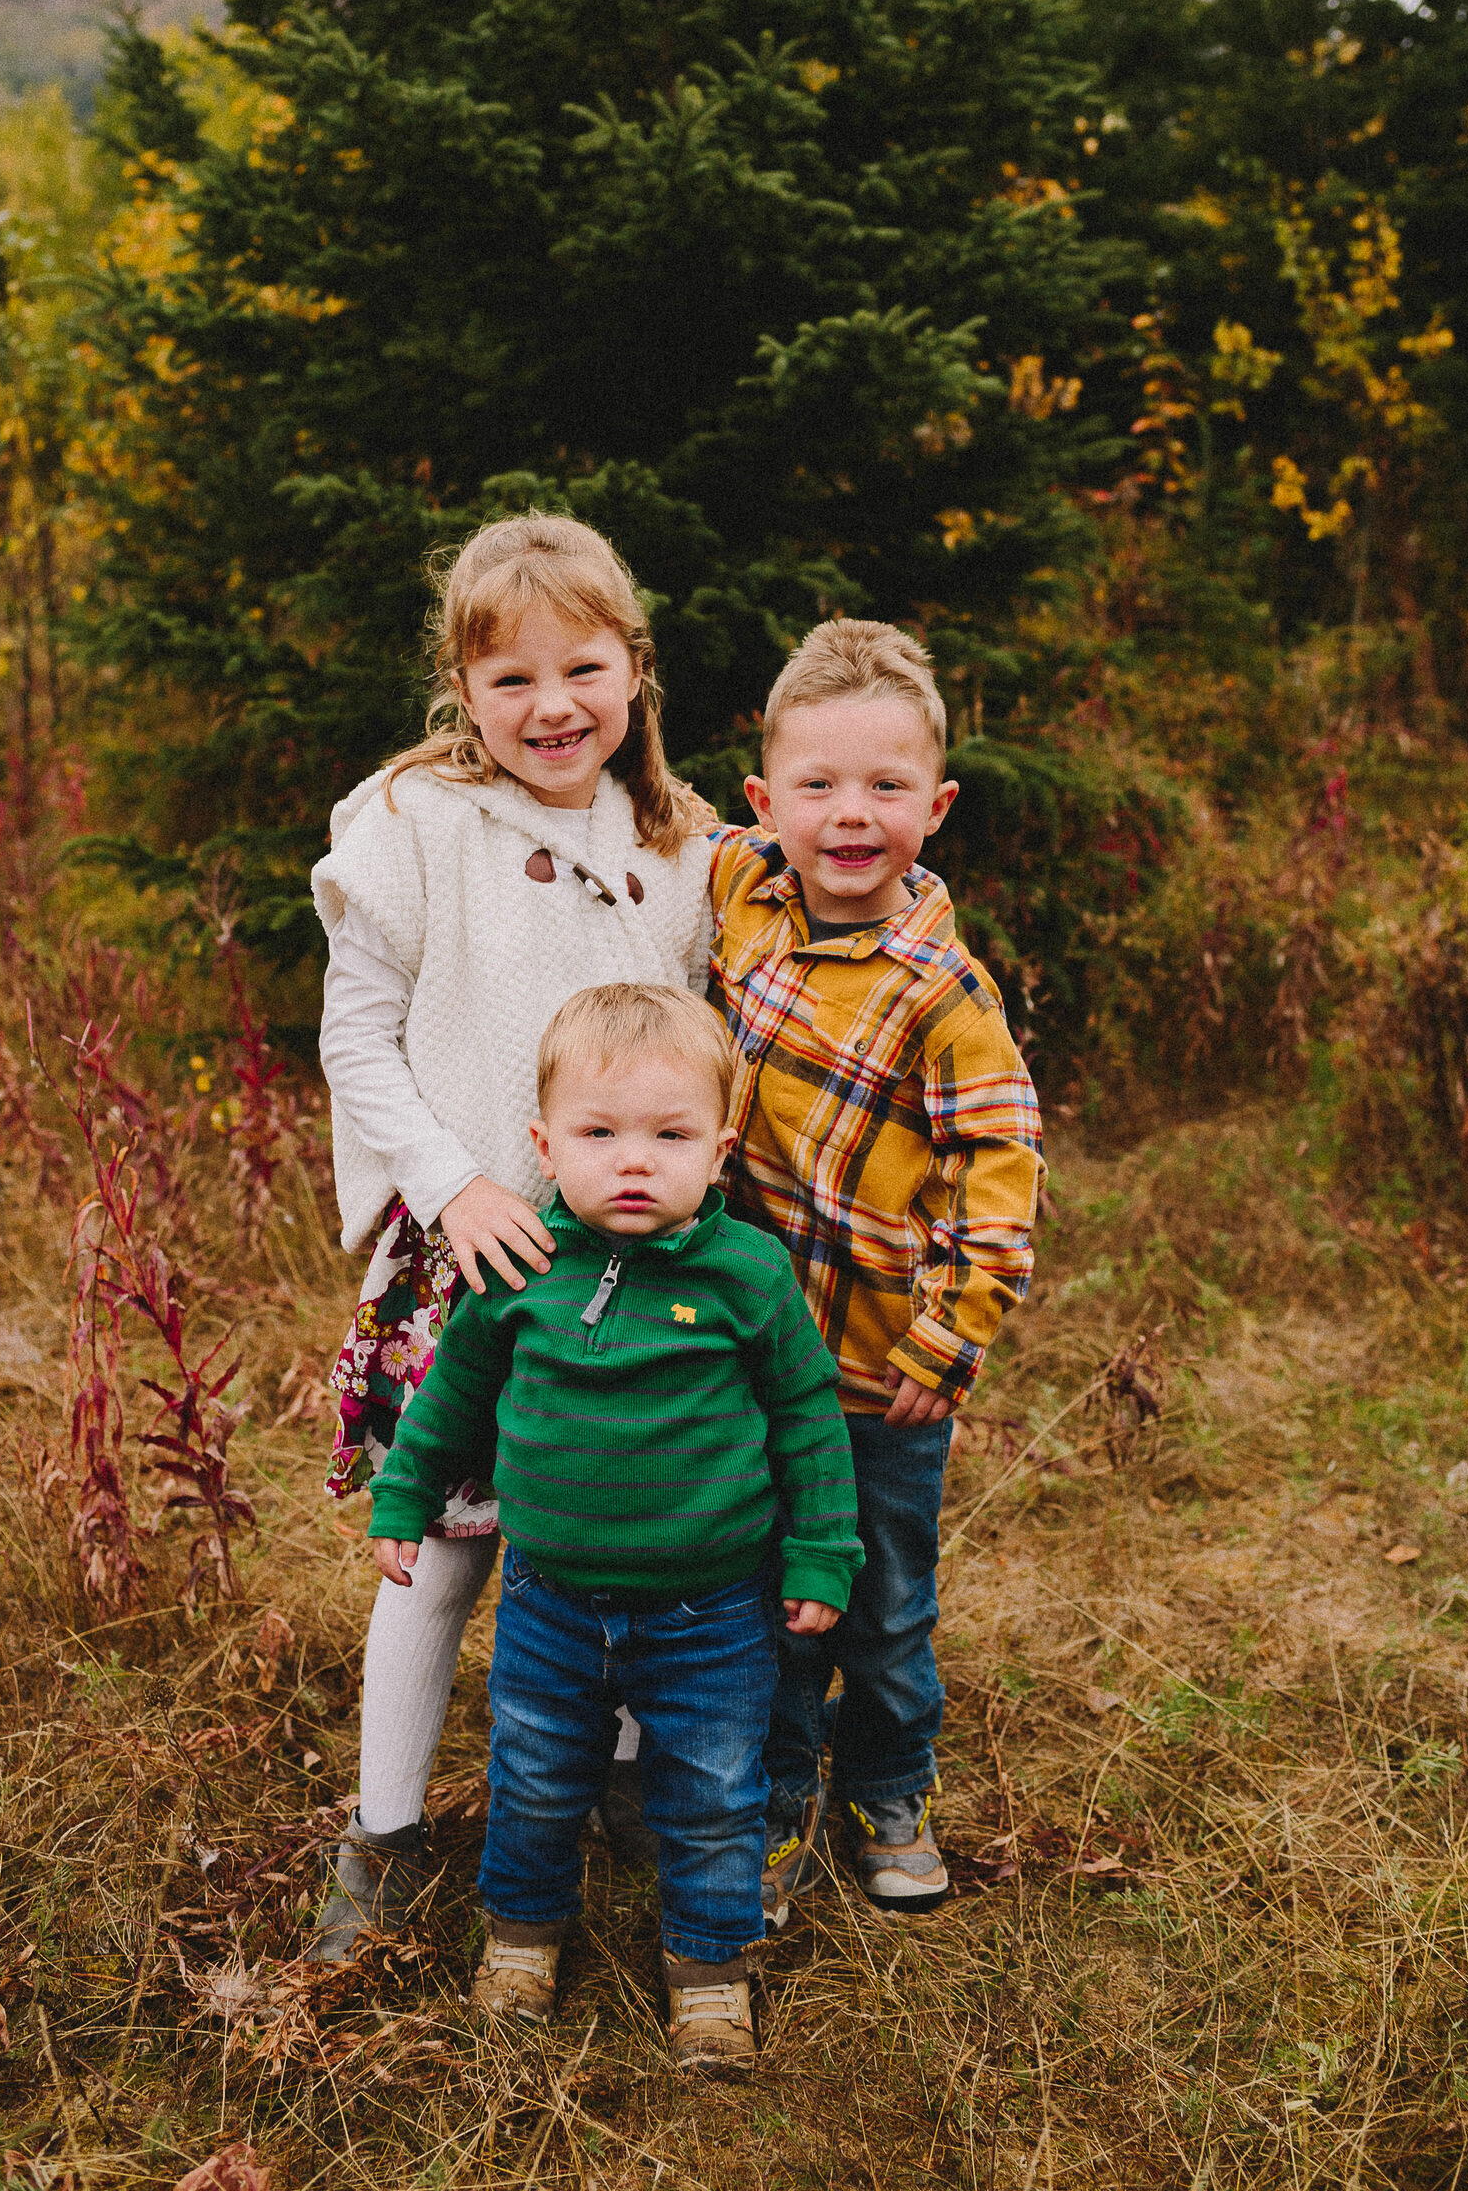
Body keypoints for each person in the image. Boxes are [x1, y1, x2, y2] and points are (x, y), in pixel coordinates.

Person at [306, 514, 715, 1961]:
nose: (553, 709)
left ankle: (610, 1786)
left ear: (633, 671)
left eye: (582, 671)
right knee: (446, 1549)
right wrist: (449, 1186)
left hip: (635, 1267)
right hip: (471, 1253)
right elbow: (356, 1038)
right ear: (463, 694)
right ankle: (385, 1835)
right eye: (511, 682)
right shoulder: (416, 826)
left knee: (616, 1520)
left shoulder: (679, 845)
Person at [366, 983, 862, 2072]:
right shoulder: (520, 1273)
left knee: (711, 1793)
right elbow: (450, 1400)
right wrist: (405, 1496)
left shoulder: (746, 1277)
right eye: (599, 1134)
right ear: (545, 1144)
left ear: (720, 1150)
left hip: (713, 1611)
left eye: (669, 1135)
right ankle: (523, 1936)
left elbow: (806, 1422)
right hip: (549, 1601)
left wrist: (824, 1550)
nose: (632, 1161)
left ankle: (708, 1970)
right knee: (535, 1776)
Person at [709, 619, 1044, 1921]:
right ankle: (776, 1798)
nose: (851, 816)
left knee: (882, 1604)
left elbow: (997, 1173)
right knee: (767, 1593)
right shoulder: (739, 896)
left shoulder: (945, 996)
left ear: (937, 807)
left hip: (876, 1378)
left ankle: (886, 1785)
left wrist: (947, 1341)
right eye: (818, 787)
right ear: (763, 803)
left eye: (886, 788)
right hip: (747, 1361)